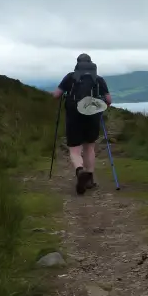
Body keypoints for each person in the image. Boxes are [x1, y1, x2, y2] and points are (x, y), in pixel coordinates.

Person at [51, 53, 113, 195]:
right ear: (91, 64)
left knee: (74, 149)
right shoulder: (98, 79)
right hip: (93, 116)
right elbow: (109, 100)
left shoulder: (70, 77)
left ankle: (80, 171)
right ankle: (89, 179)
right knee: (89, 147)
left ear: (77, 64)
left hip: (74, 116)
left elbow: (56, 95)